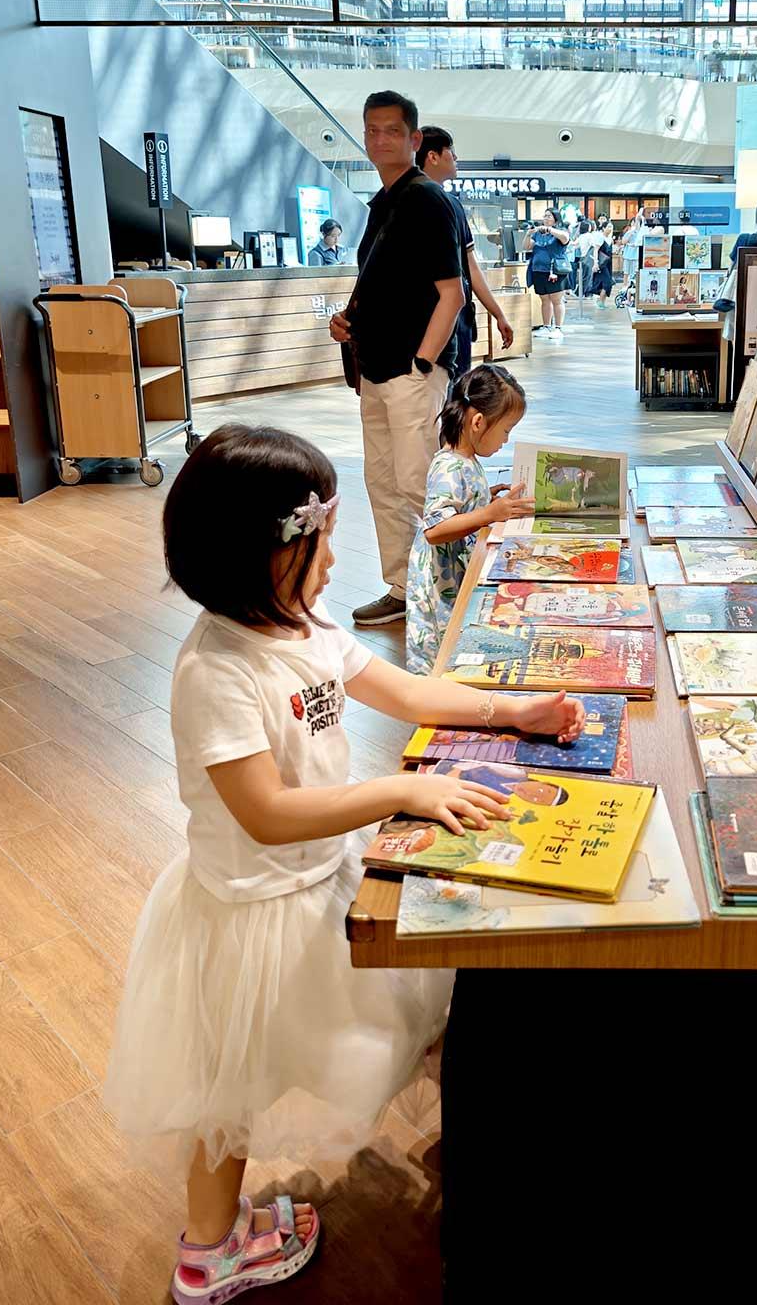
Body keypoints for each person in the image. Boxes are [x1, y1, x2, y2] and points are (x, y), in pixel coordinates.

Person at [102, 425, 584, 1304]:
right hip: (252, 910)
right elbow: (268, 814)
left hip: (315, 878)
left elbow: (400, 690)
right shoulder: (216, 670)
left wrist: (509, 710)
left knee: (265, 1067)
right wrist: (398, 794)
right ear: (266, 553)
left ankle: (220, 1239)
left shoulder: (305, 626)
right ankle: (206, 1255)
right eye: (321, 538)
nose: (337, 552)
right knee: (227, 1092)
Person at [329, 90, 464, 629]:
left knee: (419, 482)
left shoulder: (427, 201)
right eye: (371, 130)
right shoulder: (382, 204)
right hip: (375, 370)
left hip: (412, 371)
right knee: (383, 483)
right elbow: (386, 286)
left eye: (391, 131)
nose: (379, 139)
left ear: (414, 140)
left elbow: (451, 294)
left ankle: (460, 580)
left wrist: (425, 363)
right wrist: (348, 320)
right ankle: (403, 587)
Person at [405, 365, 530, 674]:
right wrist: (487, 513)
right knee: (439, 657)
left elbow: (458, 505)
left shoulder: (464, 459)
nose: (505, 440)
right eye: (505, 430)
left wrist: (484, 496)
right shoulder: (448, 466)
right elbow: (435, 530)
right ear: (477, 422)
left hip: (455, 576)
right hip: (439, 587)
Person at [415, 125, 514, 375]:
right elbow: (470, 267)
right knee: (445, 398)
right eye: (451, 150)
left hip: (436, 329)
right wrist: (499, 315)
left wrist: (498, 313)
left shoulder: (441, 204)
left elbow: (470, 268)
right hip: (437, 330)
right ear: (432, 156)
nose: (456, 157)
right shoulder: (443, 205)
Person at [529, 208, 573, 339]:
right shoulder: (538, 234)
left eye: (549, 216)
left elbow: (565, 238)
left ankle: (558, 328)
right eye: (545, 215)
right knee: (544, 299)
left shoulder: (561, 231)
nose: (546, 218)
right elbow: (527, 246)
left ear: (555, 218)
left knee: (557, 300)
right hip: (539, 270)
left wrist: (550, 230)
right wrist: (528, 234)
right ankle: (546, 326)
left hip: (555, 271)